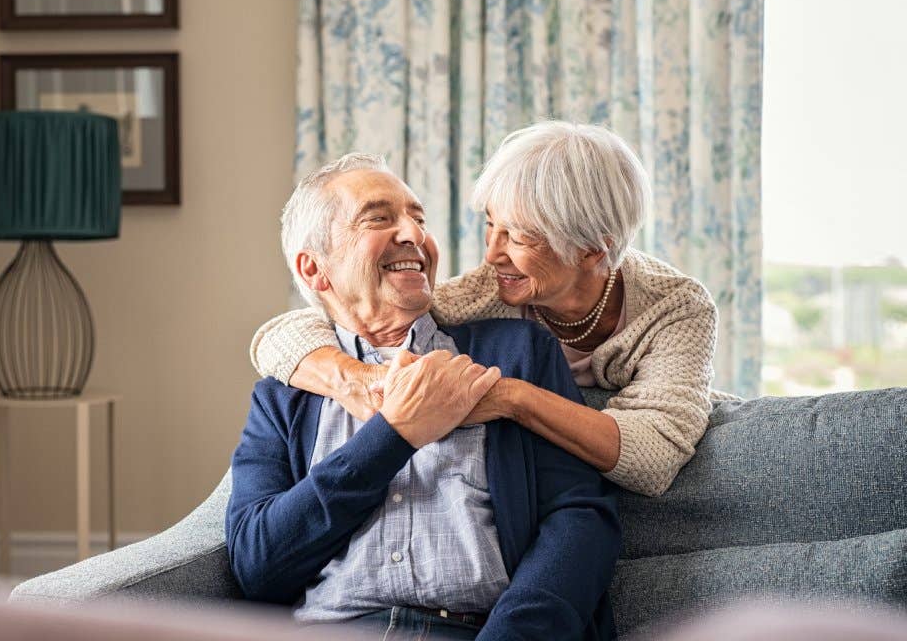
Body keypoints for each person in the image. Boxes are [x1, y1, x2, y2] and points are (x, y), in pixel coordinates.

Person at [226, 154, 620, 640]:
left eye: (418, 218)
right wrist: (394, 435)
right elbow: (257, 567)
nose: (413, 234)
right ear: (315, 269)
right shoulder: (283, 398)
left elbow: (581, 519)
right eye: (379, 218)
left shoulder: (516, 354)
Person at [250, 121, 719, 496]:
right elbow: (286, 333)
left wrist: (511, 398)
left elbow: (653, 458)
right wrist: (359, 380)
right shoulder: (488, 290)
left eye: (518, 237)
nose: (492, 254)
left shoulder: (676, 308)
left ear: (593, 250)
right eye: (491, 226)